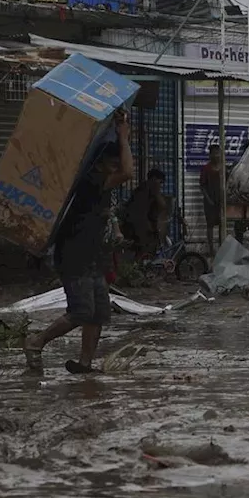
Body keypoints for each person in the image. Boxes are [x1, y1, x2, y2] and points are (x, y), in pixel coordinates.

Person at [24, 112, 135, 375]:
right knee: (82, 311)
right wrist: (123, 137)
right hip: (75, 257)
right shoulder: (91, 182)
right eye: (112, 164)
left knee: (99, 313)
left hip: (93, 257)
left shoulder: (100, 186)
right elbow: (129, 172)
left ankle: (85, 363)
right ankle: (36, 341)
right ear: (100, 165)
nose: (116, 169)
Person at [121, 169, 166, 259]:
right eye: (160, 182)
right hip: (137, 228)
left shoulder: (152, 192)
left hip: (144, 227)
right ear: (153, 179)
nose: (160, 186)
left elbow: (161, 206)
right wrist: (148, 227)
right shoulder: (143, 191)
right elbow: (139, 213)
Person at [200, 145, 224, 255]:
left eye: (218, 153)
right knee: (210, 225)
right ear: (210, 155)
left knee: (221, 224)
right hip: (210, 202)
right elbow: (202, 186)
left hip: (221, 202)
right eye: (213, 153)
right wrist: (208, 199)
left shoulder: (223, 168)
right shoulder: (206, 169)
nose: (216, 155)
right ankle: (211, 249)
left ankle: (221, 247)